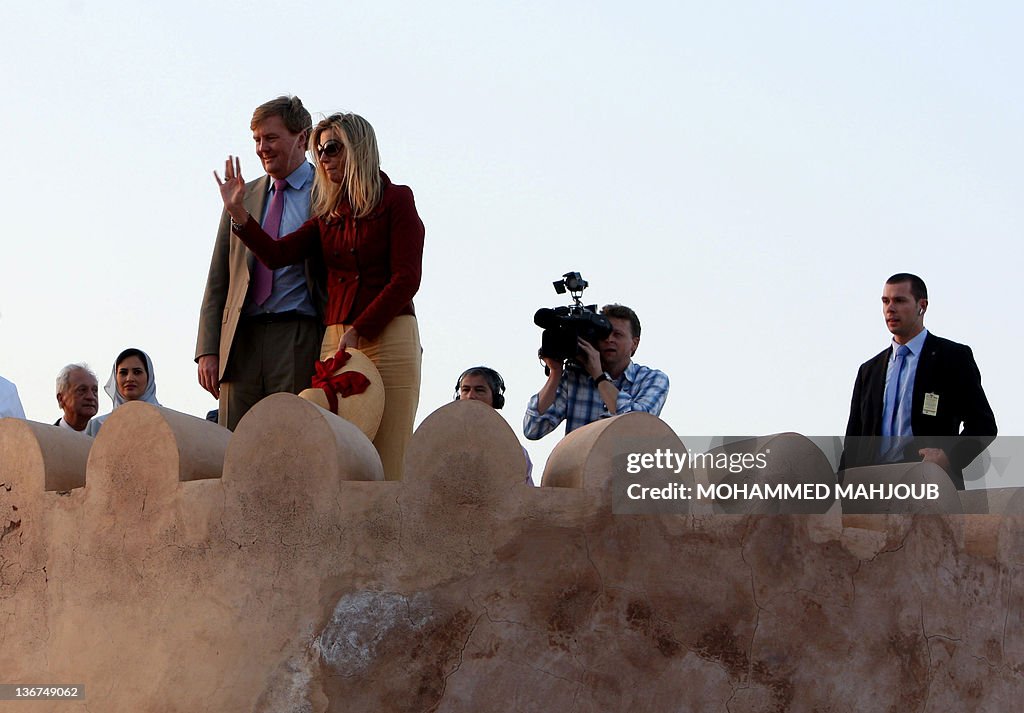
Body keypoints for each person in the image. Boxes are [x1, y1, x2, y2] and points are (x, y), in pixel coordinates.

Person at [216, 112, 425, 480]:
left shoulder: (397, 200)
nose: (323, 160)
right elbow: (277, 255)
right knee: (338, 456)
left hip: (389, 335)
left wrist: (361, 328)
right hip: (337, 343)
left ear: (358, 150)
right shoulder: (328, 216)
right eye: (319, 152)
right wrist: (239, 214)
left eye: (331, 149)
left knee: (389, 455)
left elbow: (406, 278)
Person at [196, 95, 325, 431]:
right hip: (241, 340)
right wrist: (208, 350)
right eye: (256, 139)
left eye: (271, 137)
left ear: (301, 138)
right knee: (234, 444)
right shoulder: (242, 195)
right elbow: (219, 277)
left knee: (292, 439)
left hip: (298, 336)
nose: (262, 148)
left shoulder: (325, 193)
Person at [841, 273, 997, 489]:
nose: (890, 309)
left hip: (930, 485)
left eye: (900, 300)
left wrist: (949, 458)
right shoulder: (869, 370)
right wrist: (841, 490)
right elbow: (853, 441)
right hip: (873, 486)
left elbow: (983, 425)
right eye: (885, 301)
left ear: (921, 306)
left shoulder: (952, 357)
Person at [523, 304, 669, 439]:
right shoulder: (575, 377)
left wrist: (598, 376)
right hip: (579, 465)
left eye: (617, 335)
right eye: (604, 334)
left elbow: (637, 425)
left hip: (623, 466)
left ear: (634, 344)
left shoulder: (653, 379)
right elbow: (533, 429)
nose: (609, 340)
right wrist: (555, 373)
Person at [456, 366, 534, 484]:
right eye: (465, 390)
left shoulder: (515, 453)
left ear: (495, 398)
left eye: (479, 390)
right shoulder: (439, 442)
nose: (470, 396)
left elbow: (525, 499)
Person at [87, 348, 161, 436]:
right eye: (123, 373)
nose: (129, 378)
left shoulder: (166, 421)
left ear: (149, 377)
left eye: (137, 372)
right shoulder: (97, 426)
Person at [54, 364, 99, 433]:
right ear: (61, 399)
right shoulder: (44, 439)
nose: (91, 397)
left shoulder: (110, 437)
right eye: (82, 390)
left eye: (94, 390)